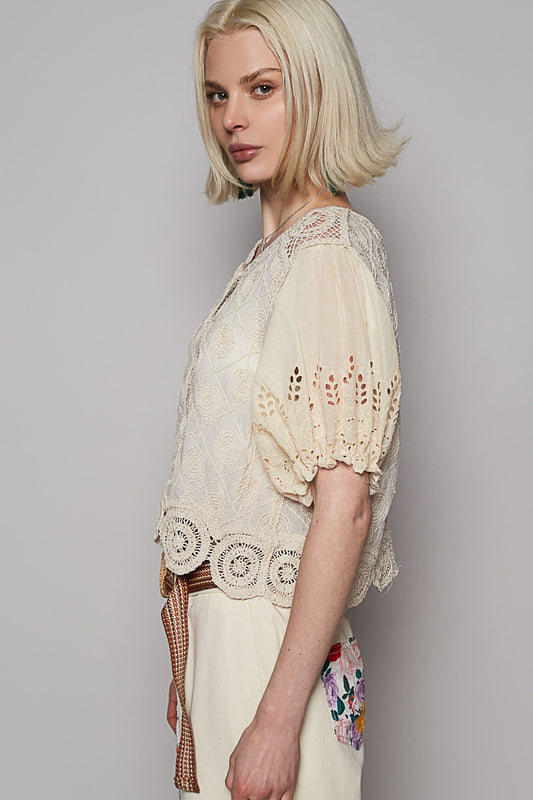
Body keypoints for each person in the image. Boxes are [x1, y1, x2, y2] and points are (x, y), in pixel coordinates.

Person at [155, 1, 406, 798]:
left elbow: (345, 504)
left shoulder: (326, 255)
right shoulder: (280, 254)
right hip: (235, 642)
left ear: (318, 90)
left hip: (272, 649)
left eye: (262, 88)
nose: (233, 117)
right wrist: (196, 663)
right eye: (217, 94)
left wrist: (271, 720)